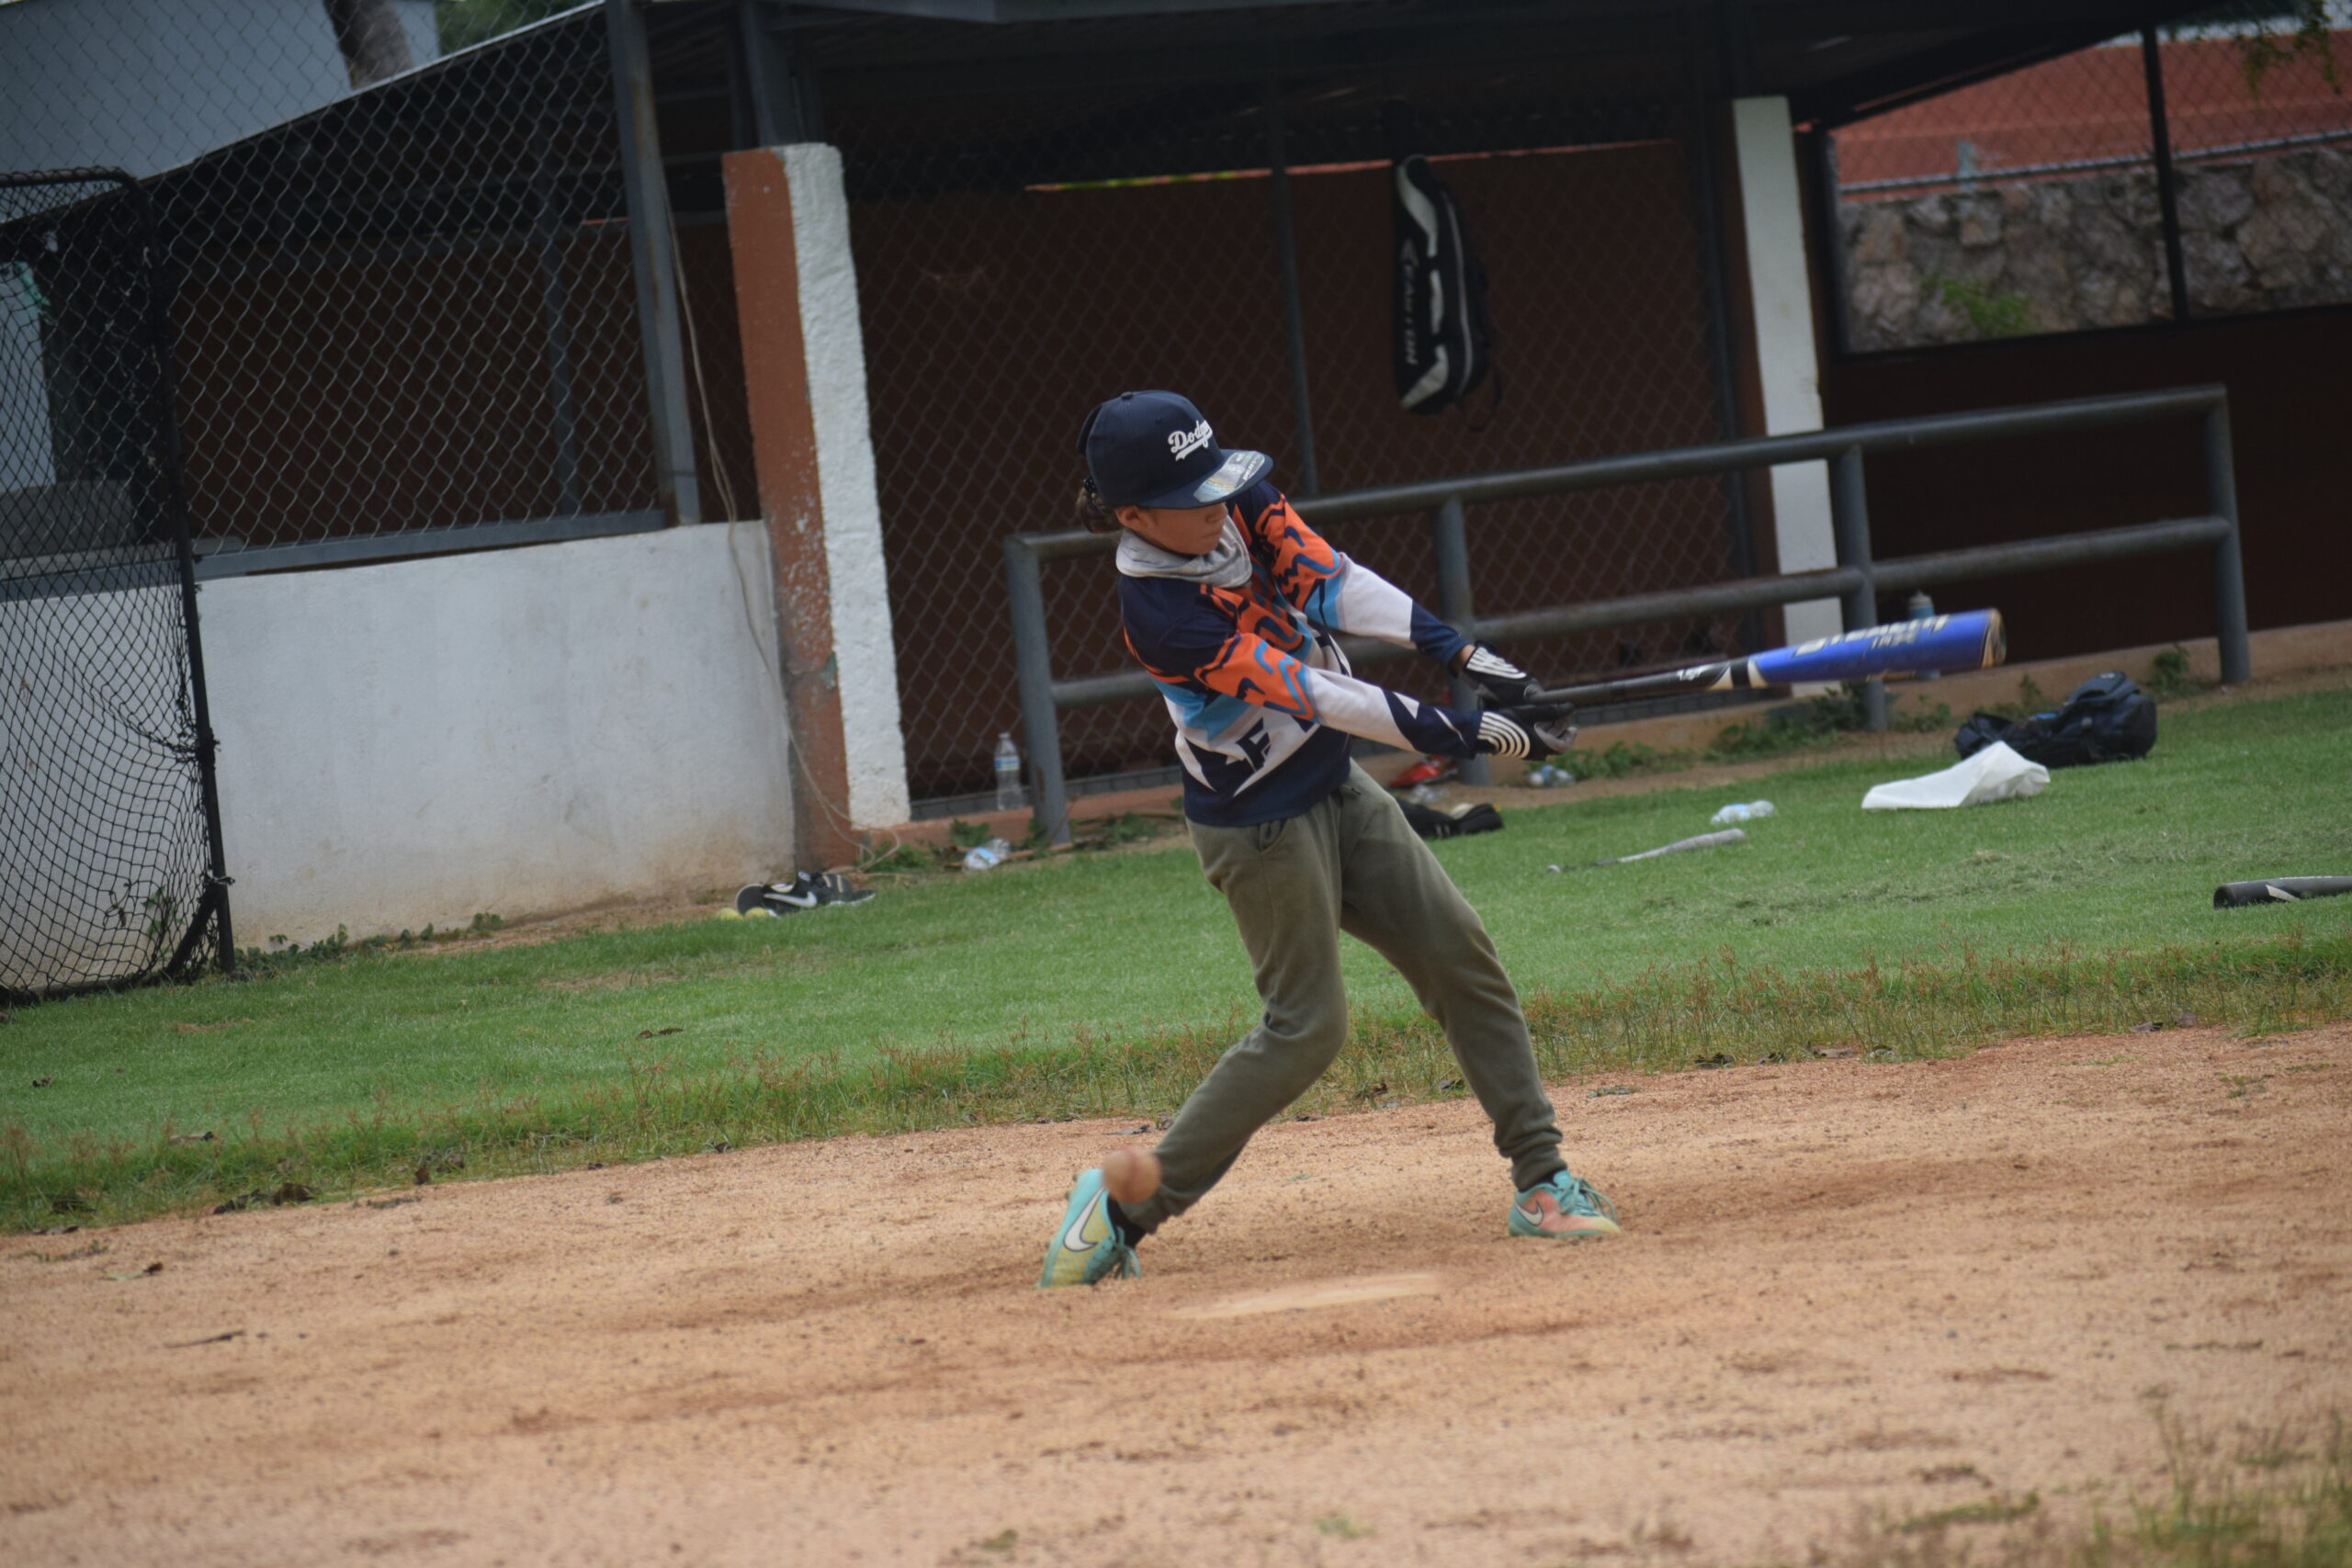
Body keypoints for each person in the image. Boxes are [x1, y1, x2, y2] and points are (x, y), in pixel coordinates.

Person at [1039, 390, 1620, 1290]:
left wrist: (1471, 659)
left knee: (1458, 953)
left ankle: (1541, 1180)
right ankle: (1119, 1210)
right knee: (1306, 1030)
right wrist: (1477, 736)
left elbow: (1335, 581)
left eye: (1212, 482)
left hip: (1334, 783)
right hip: (1258, 826)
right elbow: (1313, 691)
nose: (1214, 503)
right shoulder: (1162, 615)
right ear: (1133, 517)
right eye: (1188, 498)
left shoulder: (1235, 501)